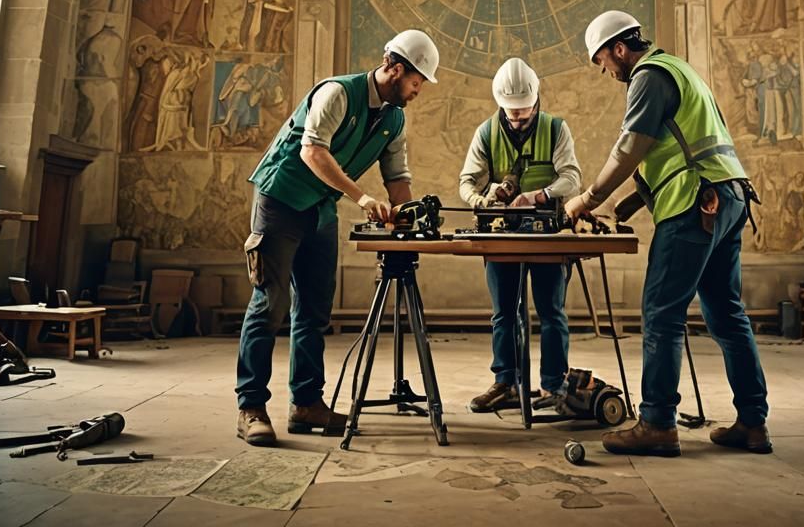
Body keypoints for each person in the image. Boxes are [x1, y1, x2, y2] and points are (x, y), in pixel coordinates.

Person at [565, 11, 770, 457]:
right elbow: (673, 147)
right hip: (729, 196)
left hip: (695, 202)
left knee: (662, 312)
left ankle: (657, 422)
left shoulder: (647, 75)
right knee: (727, 315)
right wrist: (626, 205)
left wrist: (587, 199)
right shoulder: (679, 69)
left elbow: (631, 145)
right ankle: (753, 424)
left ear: (620, 48)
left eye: (603, 60)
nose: (605, 71)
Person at [235, 29, 440, 446]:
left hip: (320, 209)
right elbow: (313, 151)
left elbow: (397, 178)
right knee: (270, 304)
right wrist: (362, 198)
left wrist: (406, 216)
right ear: (394, 68)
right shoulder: (337, 93)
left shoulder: (395, 118)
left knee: (313, 310)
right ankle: (251, 406)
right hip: (281, 199)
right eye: (417, 80)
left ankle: (306, 404)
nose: (419, 89)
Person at [459, 58, 581, 412]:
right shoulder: (486, 132)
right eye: (511, 114)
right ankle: (506, 383)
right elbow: (467, 181)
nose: (517, 120)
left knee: (551, 312)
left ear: (537, 102)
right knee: (504, 313)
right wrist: (485, 197)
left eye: (524, 114)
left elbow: (572, 177)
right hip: (502, 235)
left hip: (547, 235)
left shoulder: (556, 128)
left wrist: (540, 195)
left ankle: (554, 386)